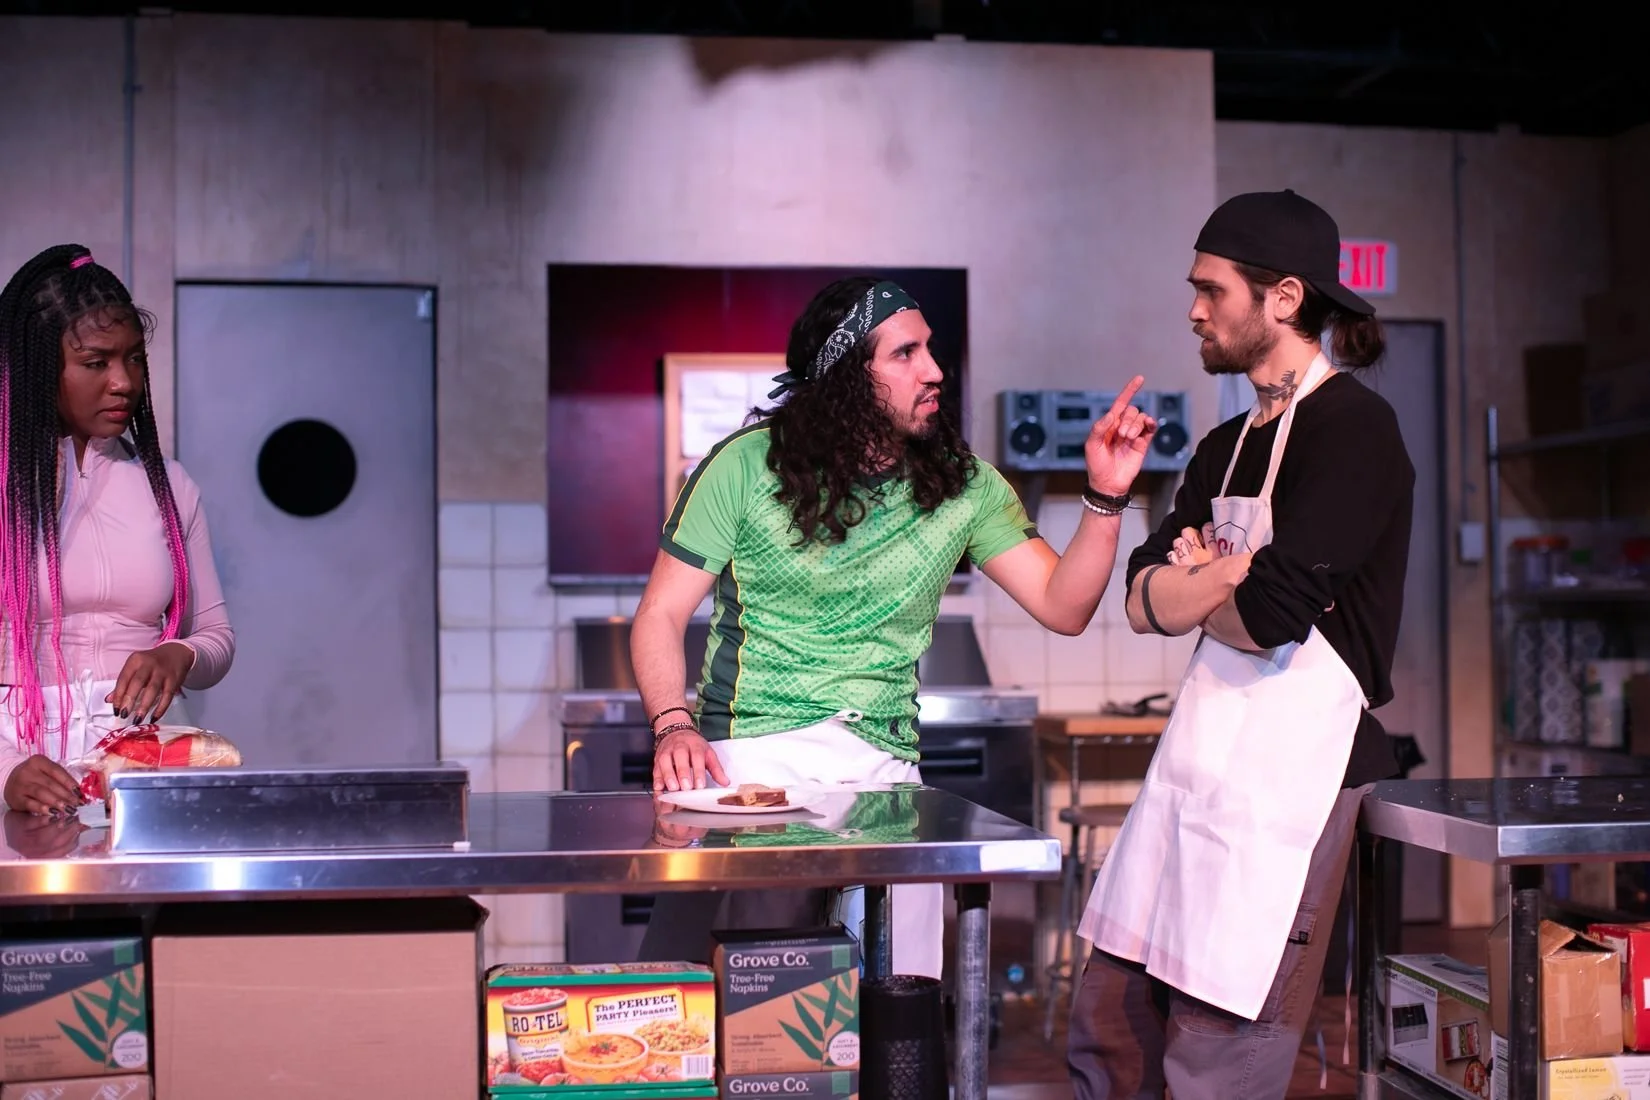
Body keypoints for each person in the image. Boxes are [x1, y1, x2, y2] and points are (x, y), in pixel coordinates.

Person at [632, 275, 1158, 978]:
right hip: (750, 765)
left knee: (897, 1008)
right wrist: (673, 723)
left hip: (884, 776)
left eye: (930, 350)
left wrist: (1107, 494)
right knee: (751, 1002)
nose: (934, 370)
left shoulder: (962, 484)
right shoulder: (745, 466)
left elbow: (1065, 608)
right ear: (849, 375)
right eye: (905, 353)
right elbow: (660, 614)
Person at [1066, 190, 1415, 1099]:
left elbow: (1270, 613)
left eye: (1210, 290)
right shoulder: (1222, 445)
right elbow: (1140, 599)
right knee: (1109, 1020)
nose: (1192, 310)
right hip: (1198, 763)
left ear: (1285, 298)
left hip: (1294, 783)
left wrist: (1208, 579)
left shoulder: (1355, 431)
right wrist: (1225, 576)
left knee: (1217, 1052)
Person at [0, 244, 235, 817]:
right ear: (39, 367)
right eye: (96, 362)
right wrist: (5, 768)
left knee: (137, 907)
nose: (124, 382)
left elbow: (216, 636)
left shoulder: (168, 485)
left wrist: (178, 653)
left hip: (135, 762)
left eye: (133, 359)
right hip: (17, 762)